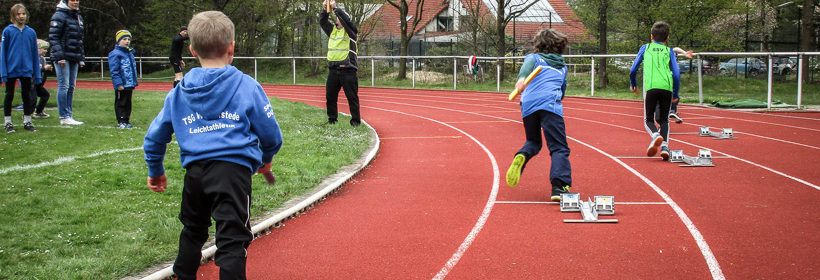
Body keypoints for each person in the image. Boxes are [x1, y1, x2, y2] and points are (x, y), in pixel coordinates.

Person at [143, 11, 283, 280]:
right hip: (232, 175)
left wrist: (155, 170)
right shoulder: (247, 86)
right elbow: (271, 133)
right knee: (232, 240)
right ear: (232, 47)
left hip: (195, 174)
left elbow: (155, 136)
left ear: (193, 50)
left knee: (193, 231)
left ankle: (183, 275)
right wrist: (267, 157)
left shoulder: (178, 91)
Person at [505, 28, 573, 202]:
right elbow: (562, 90)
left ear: (539, 44)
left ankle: (523, 155)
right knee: (558, 147)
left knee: (533, 141)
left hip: (528, 106)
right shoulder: (562, 67)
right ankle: (559, 187)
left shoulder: (533, 58)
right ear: (560, 46)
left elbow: (526, 68)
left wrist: (521, 80)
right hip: (551, 107)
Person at [629, 21, 681, 161]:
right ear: (667, 38)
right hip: (667, 88)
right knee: (665, 120)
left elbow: (633, 69)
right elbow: (676, 73)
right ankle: (664, 147)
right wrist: (676, 93)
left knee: (648, 120)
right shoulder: (669, 51)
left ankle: (655, 135)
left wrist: (633, 84)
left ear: (651, 36)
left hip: (651, 87)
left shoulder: (645, 48)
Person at [319, 0, 361, 126]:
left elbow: (346, 21)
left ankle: (355, 122)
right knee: (330, 96)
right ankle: (332, 120)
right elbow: (322, 21)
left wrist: (335, 8)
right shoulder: (332, 31)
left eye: (339, 17)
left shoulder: (351, 31)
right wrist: (326, 9)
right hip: (333, 70)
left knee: (352, 98)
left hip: (348, 70)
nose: (338, 19)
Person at [2, 3, 41, 133]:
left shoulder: (31, 32)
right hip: (11, 70)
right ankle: (8, 122)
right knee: (9, 95)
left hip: (26, 70)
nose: (21, 16)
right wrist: (3, 71)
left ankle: (27, 120)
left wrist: (37, 73)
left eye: (23, 13)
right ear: (13, 16)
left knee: (27, 95)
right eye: (18, 14)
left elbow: (35, 54)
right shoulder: (8, 32)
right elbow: (3, 53)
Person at [49, 0, 85, 125]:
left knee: (71, 86)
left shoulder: (78, 16)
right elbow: (54, 37)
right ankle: (63, 116)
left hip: (74, 56)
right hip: (62, 56)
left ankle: (69, 114)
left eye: (77, 0)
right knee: (63, 85)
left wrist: (81, 58)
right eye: (72, 0)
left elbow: (79, 39)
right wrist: (60, 56)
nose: (75, 2)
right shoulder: (59, 15)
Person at [108, 30, 137, 129]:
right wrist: (118, 83)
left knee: (128, 103)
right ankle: (121, 120)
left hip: (129, 84)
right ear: (118, 40)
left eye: (128, 39)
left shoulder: (130, 53)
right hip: (122, 84)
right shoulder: (115, 54)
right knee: (121, 102)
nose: (127, 41)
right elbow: (114, 70)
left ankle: (126, 120)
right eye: (124, 39)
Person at [655, 47, 692, 124]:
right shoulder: (666, 55)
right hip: (668, 78)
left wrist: (684, 53)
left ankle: (669, 112)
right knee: (673, 96)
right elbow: (676, 49)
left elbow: (675, 49)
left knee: (664, 98)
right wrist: (684, 53)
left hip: (662, 80)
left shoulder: (665, 55)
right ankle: (671, 110)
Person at [31, 39, 52, 118]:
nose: (46, 51)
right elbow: (32, 71)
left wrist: (46, 70)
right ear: (37, 48)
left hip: (38, 83)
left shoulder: (43, 59)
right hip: (31, 83)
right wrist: (43, 68)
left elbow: (42, 72)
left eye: (46, 49)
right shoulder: (32, 58)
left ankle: (39, 111)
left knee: (45, 95)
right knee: (33, 99)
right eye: (44, 49)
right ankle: (27, 114)